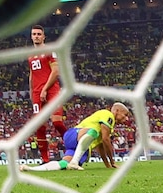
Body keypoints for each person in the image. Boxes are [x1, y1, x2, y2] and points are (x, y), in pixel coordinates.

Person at [20, 102, 130, 172]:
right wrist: (113, 162)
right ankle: (75, 162)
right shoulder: (108, 115)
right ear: (116, 111)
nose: (126, 119)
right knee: (93, 132)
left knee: (63, 164)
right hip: (74, 134)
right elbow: (106, 140)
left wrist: (108, 165)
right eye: (125, 115)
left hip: (79, 147)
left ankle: (31, 169)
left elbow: (101, 146)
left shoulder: (108, 126)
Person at [27, 24, 66, 164]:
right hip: (37, 93)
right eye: (34, 34)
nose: (36, 36)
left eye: (39, 34)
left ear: (43, 36)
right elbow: (32, 75)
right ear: (31, 36)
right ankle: (45, 159)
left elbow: (56, 71)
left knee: (57, 122)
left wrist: (44, 89)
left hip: (52, 91)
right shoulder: (30, 55)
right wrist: (32, 93)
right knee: (40, 126)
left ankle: (72, 148)